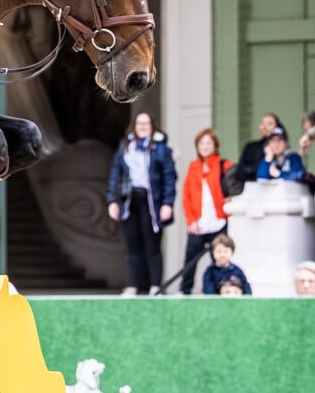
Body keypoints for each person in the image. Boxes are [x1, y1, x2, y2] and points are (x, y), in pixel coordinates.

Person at [105, 112, 177, 296]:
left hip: (152, 201)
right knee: (132, 245)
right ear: (134, 126)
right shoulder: (126, 147)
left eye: (146, 123)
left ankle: (155, 286)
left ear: (152, 126)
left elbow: (169, 177)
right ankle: (133, 285)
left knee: (152, 245)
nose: (143, 127)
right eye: (139, 124)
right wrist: (112, 200)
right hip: (129, 200)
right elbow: (116, 175)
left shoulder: (160, 149)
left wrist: (167, 203)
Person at [176, 128, 233, 294]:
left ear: (215, 146)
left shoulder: (224, 164)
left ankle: (219, 290)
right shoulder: (193, 167)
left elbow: (237, 181)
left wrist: (232, 197)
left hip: (219, 221)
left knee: (219, 257)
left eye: (209, 143)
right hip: (199, 222)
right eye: (202, 143)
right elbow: (187, 196)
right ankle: (184, 290)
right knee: (190, 259)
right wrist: (191, 220)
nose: (205, 146)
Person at [236, 113, 281, 186]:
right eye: (262, 124)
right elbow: (239, 173)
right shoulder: (251, 147)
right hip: (253, 189)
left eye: (269, 124)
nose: (264, 127)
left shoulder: (280, 148)